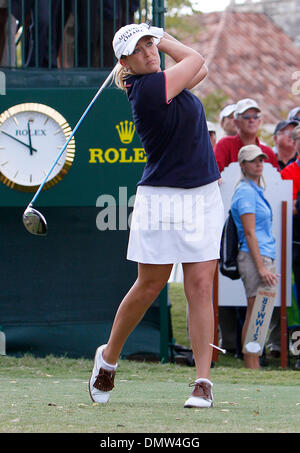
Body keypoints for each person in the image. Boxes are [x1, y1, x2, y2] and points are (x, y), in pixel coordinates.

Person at [88, 23, 224, 409]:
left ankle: (202, 381)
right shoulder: (146, 89)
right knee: (150, 285)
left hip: (202, 196)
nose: (150, 51)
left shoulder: (167, 81)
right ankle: (109, 357)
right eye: (140, 48)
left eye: (151, 45)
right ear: (125, 63)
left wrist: (155, 38)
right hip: (161, 198)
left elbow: (202, 70)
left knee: (200, 286)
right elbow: (196, 59)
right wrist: (164, 37)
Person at [231, 145, 278, 369]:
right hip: (254, 258)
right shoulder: (246, 191)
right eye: (253, 160)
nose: (259, 164)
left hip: (261, 256)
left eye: (261, 159)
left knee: (259, 310)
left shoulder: (255, 190)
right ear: (243, 165)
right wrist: (261, 267)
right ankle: (251, 364)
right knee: (256, 310)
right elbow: (249, 232)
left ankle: (253, 361)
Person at [214, 98, 279, 173]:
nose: (251, 120)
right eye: (246, 117)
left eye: (255, 116)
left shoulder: (268, 153)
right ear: (236, 122)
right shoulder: (224, 145)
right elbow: (215, 177)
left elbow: (276, 182)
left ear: (259, 121)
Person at [281, 125, 300, 370]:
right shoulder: (288, 172)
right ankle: (297, 353)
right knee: (296, 301)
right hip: (296, 244)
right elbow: (291, 209)